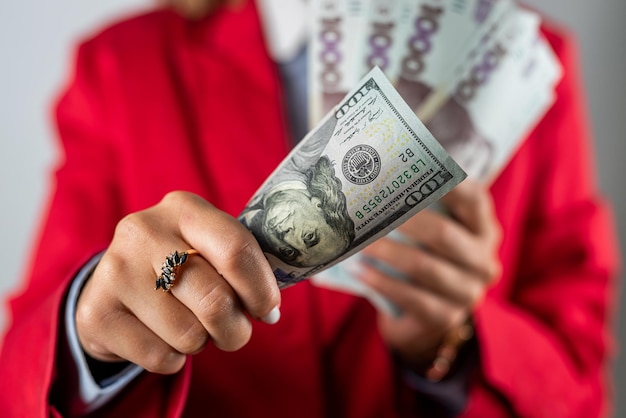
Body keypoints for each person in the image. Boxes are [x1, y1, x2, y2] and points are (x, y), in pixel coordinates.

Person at [0, 1, 619, 417]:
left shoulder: (528, 61)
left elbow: (579, 382)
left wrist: (451, 345)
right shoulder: (120, 67)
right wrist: (92, 337)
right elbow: (23, 372)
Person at [241, 155, 355, 269]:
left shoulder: (247, 225)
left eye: (289, 252)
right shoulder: (308, 153)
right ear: (319, 205)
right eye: (309, 236)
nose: (287, 239)